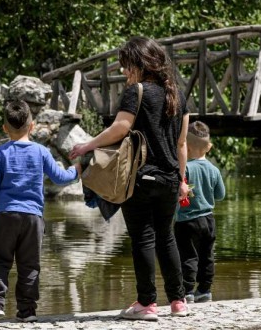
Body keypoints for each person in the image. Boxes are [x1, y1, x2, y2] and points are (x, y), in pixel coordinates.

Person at [70, 36, 190, 321]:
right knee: (167, 238)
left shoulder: (136, 92)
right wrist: (182, 178)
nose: (124, 72)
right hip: (171, 179)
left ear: (140, 63)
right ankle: (178, 300)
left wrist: (88, 145)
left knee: (143, 239)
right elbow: (182, 143)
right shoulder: (178, 95)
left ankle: (147, 304)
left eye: (126, 65)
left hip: (141, 177)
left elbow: (120, 128)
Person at [0, 99, 81, 322]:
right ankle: (27, 311)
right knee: (30, 265)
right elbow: (60, 177)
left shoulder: (0, 153)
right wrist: (77, 170)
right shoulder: (41, 152)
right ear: (32, 126)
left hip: (5, 216)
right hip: (33, 219)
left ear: (5, 128)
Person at [175, 121, 225, 304]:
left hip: (186, 221)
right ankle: (204, 290)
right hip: (208, 220)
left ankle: (187, 291)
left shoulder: (185, 169)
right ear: (208, 147)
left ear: (185, 145)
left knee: (188, 256)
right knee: (207, 256)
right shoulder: (214, 169)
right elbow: (220, 195)